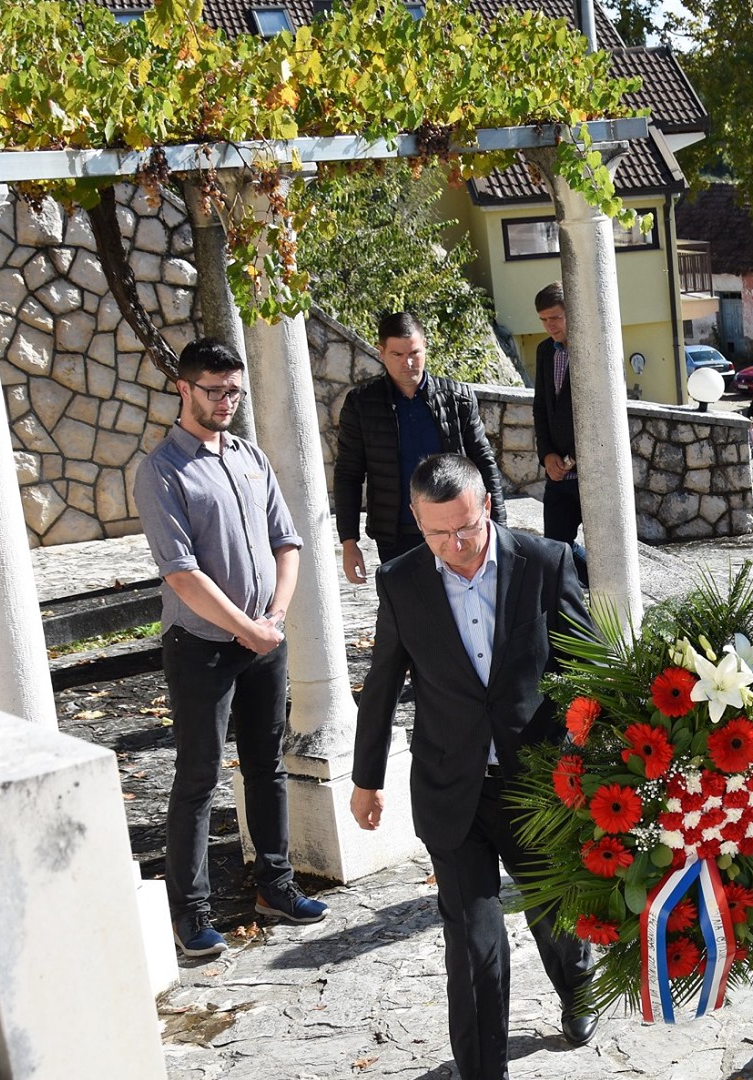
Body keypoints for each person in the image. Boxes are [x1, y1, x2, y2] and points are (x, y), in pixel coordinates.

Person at [349, 454, 598, 1080]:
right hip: (452, 792)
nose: (456, 547)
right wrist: (366, 780)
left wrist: (598, 759)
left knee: (555, 910)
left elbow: (591, 664)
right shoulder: (401, 582)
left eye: (465, 529)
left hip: (539, 787)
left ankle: (576, 983)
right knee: (475, 951)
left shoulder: (549, 564)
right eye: (437, 535)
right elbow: (384, 683)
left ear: (486, 503)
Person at [133, 337, 327, 960]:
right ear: (184, 390)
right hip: (203, 646)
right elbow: (181, 573)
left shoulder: (250, 458)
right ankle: (190, 915)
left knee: (267, 764)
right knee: (198, 777)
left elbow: (287, 543)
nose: (225, 402)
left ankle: (276, 886)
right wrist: (247, 628)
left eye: (233, 392)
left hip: (263, 637)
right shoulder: (162, 470)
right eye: (214, 391)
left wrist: (270, 619)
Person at [336, 312, 508, 585]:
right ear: (381, 352)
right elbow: (348, 474)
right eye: (397, 354)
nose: (408, 362)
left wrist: (499, 526)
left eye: (414, 352)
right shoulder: (361, 405)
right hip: (396, 534)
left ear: (425, 346)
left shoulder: (457, 399)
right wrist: (349, 541)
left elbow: (483, 462)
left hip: (458, 531)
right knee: (411, 617)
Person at [531, 282, 581, 545]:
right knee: (556, 551)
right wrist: (547, 455)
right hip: (558, 476)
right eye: (543, 320)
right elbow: (541, 407)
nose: (550, 326)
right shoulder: (544, 351)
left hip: (590, 474)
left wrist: (571, 459)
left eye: (555, 318)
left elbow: (597, 416)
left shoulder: (592, 350)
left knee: (605, 554)